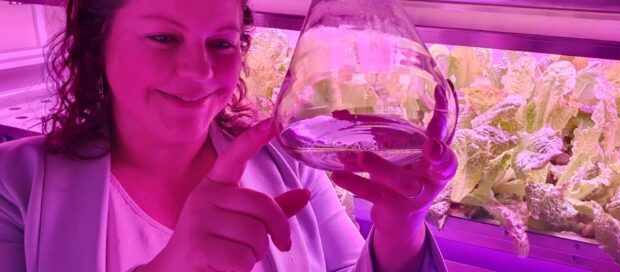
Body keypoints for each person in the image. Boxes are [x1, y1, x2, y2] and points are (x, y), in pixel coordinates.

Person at [0, 0, 457, 271]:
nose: (199, 73)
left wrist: (401, 225)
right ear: (98, 41)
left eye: (221, 43)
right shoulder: (13, 186)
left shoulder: (290, 165)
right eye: (163, 38)